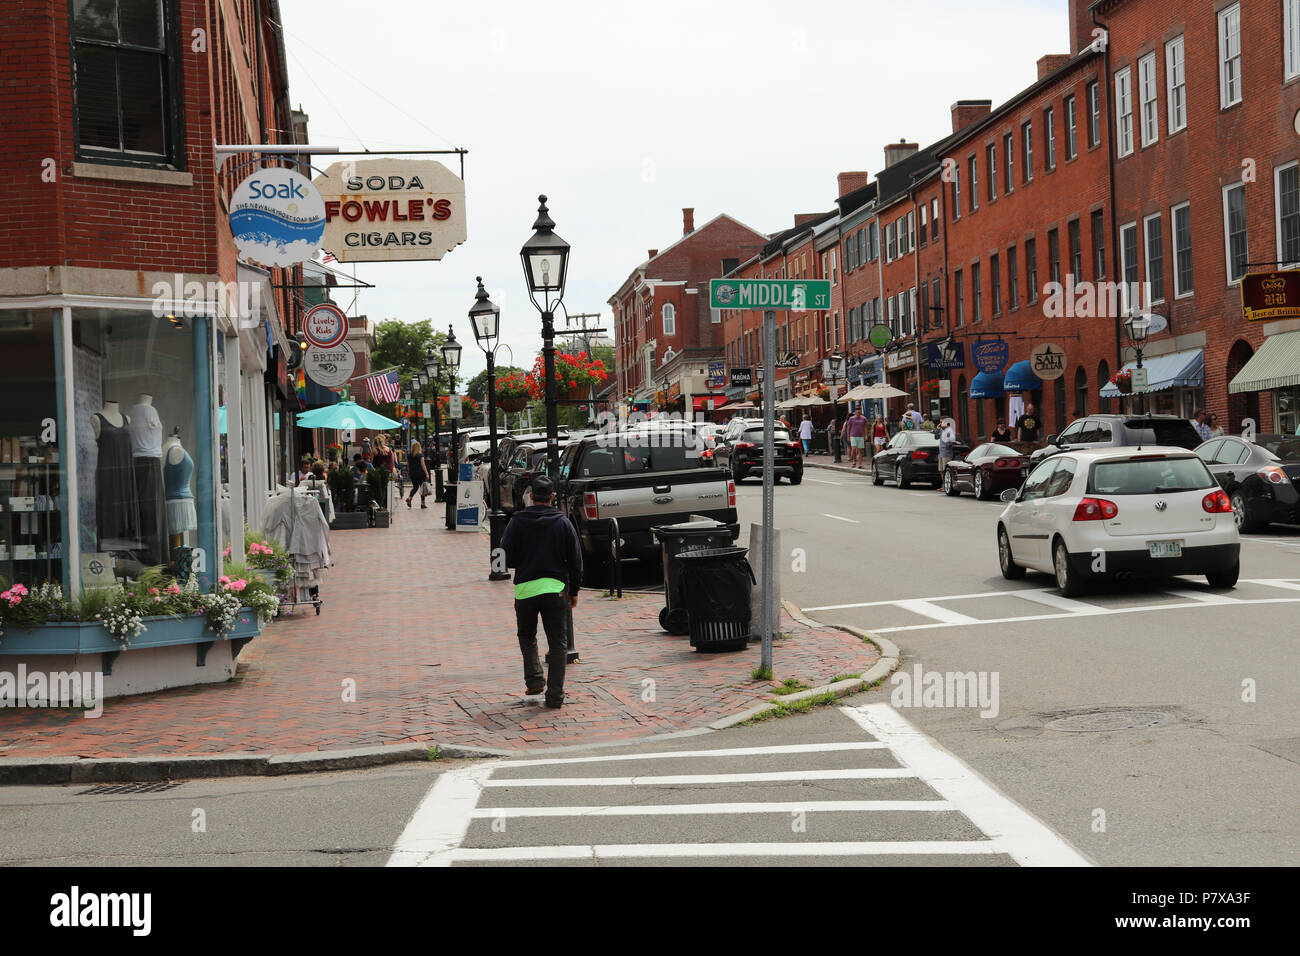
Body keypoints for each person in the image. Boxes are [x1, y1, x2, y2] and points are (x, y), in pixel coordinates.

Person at [501, 476, 582, 709]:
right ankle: (555, 696)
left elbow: (502, 556)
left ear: (531, 497)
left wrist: (520, 562)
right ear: (553, 498)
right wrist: (574, 590)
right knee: (558, 643)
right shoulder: (563, 522)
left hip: (525, 589)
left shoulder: (516, 522)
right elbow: (576, 560)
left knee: (527, 635)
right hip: (555, 589)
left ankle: (535, 679)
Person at [406, 440, 430, 508]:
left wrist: (409, 472)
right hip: (420, 474)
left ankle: (410, 498)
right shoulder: (420, 455)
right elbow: (423, 465)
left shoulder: (409, 455)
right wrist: (427, 473)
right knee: (422, 488)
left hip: (412, 473)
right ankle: (422, 503)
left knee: (415, 487)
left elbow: (408, 465)